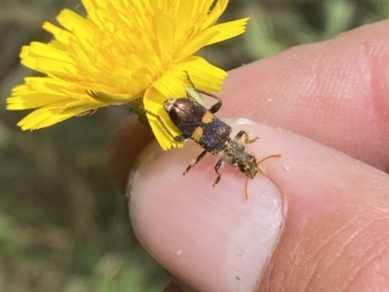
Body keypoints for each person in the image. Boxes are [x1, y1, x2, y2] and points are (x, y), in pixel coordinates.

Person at [110, 20, 389, 292]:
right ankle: (160, 109)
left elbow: (212, 153)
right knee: (192, 129)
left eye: (244, 165)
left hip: (183, 112)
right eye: (247, 161)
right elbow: (210, 161)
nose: (244, 162)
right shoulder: (220, 148)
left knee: (197, 123)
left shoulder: (225, 137)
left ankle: (158, 111)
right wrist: (212, 172)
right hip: (182, 110)